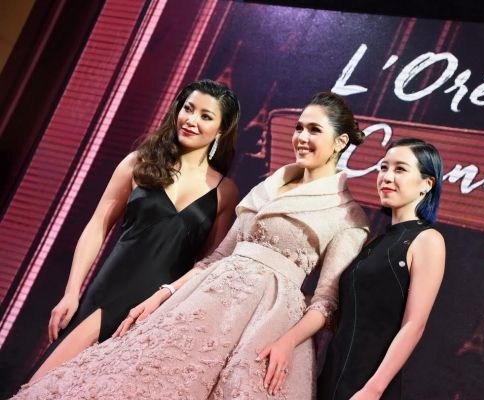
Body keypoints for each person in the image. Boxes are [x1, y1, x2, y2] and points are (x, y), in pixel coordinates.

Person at [13, 92, 370, 399]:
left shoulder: (348, 216)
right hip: (202, 303)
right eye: (299, 128)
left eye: (314, 130)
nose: (302, 137)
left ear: (340, 142)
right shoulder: (267, 187)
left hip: (267, 322)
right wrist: (163, 294)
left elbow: (326, 302)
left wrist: (288, 341)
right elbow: (216, 257)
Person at [27, 79, 241, 382]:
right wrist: (71, 292)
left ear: (221, 130)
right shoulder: (139, 163)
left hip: (156, 312)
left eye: (206, 116)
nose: (191, 120)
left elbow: (207, 266)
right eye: (188, 109)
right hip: (108, 292)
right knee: (44, 384)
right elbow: (98, 225)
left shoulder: (224, 191)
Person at [318, 138, 446, 400]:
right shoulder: (375, 241)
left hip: (369, 387)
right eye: (383, 167)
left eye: (400, 169)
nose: (386, 177)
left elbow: (414, 324)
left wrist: (373, 390)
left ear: (427, 183)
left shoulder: (428, 240)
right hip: (331, 375)